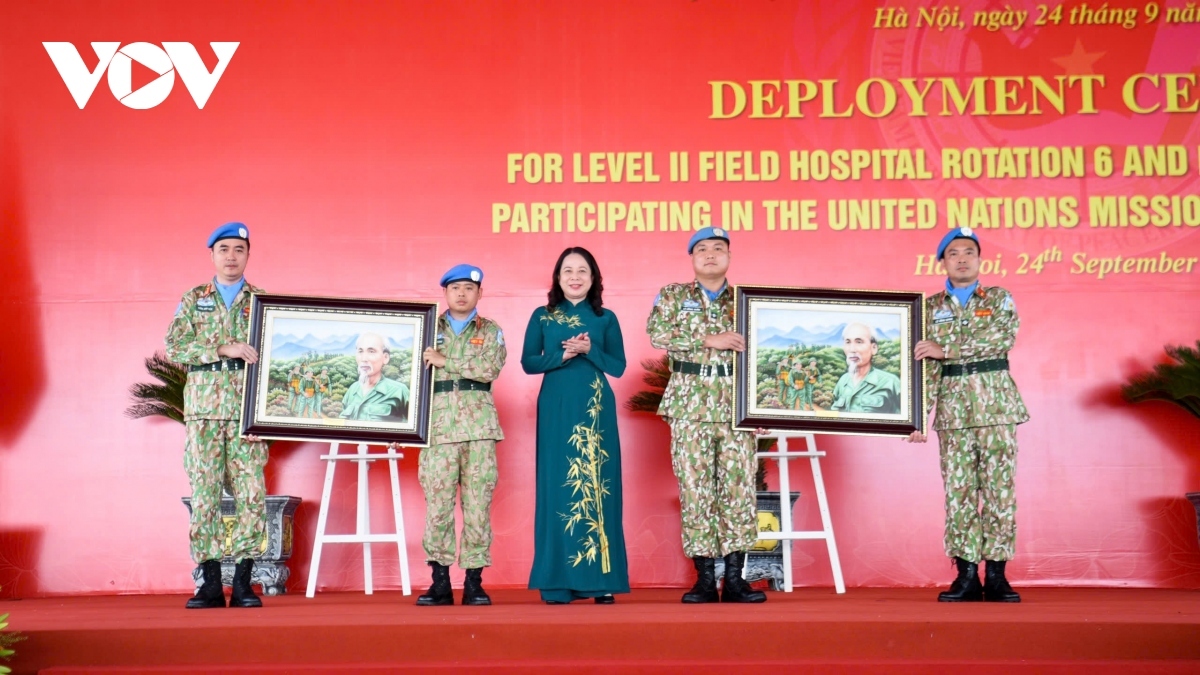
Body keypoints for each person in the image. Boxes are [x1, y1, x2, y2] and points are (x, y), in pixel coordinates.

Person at [907, 227, 1029, 603]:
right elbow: (924, 366)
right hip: (954, 411)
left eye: (969, 252)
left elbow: (1001, 339)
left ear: (979, 260)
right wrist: (915, 417)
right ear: (941, 261)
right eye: (954, 253)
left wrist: (947, 349)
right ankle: (965, 576)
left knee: (999, 492)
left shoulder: (998, 298)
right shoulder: (928, 308)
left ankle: (996, 575)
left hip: (995, 408)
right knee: (958, 494)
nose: (962, 258)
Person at [646, 227, 767, 604]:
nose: (710, 254)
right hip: (690, 404)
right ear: (692, 257)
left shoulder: (749, 300)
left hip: (735, 405)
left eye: (718, 248)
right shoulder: (673, 295)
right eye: (702, 249)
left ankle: (734, 579)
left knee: (738, 491)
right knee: (696, 490)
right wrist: (706, 340)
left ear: (730, 257)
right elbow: (657, 333)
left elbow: (768, 351)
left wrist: (762, 404)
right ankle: (703, 579)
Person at [164, 222, 267, 609]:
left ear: (247, 256)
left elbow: (275, 360)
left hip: (246, 413)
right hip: (205, 411)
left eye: (238, 249)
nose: (230, 256)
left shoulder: (262, 301)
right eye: (223, 249)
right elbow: (174, 345)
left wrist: (267, 415)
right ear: (212, 255)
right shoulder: (194, 299)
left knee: (251, 494)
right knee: (205, 494)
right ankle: (209, 581)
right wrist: (223, 347)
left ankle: (243, 581)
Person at [522, 247, 630, 604]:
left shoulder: (605, 318)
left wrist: (588, 352)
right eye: (567, 270)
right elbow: (528, 363)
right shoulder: (543, 316)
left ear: (594, 277)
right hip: (555, 406)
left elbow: (617, 367)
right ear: (557, 277)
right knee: (557, 486)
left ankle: (601, 582)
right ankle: (557, 583)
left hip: (594, 408)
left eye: (582, 271)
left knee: (599, 484)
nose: (575, 277)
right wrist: (562, 356)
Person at [396, 264, 507, 606]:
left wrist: (446, 361)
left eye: (469, 289)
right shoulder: (426, 327)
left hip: (478, 431)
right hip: (438, 429)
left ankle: (474, 581)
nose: (461, 294)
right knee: (438, 508)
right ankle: (440, 581)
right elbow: (405, 372)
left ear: (480, 294)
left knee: (477, 507)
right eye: (455, 288)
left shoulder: (490, 330)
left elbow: (491, 368)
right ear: (445, 292)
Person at [830, 323, 902, 415]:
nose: (852, 349)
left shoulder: (891, 382)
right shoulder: (843, 381)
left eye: (859, 342)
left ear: (874, 348)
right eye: (848, 342)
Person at [339, 332, 410, 422]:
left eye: (371, 351)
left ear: (385, 358)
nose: (364, 358)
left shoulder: (399, 391)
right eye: (360, 351)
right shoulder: (352, 390)